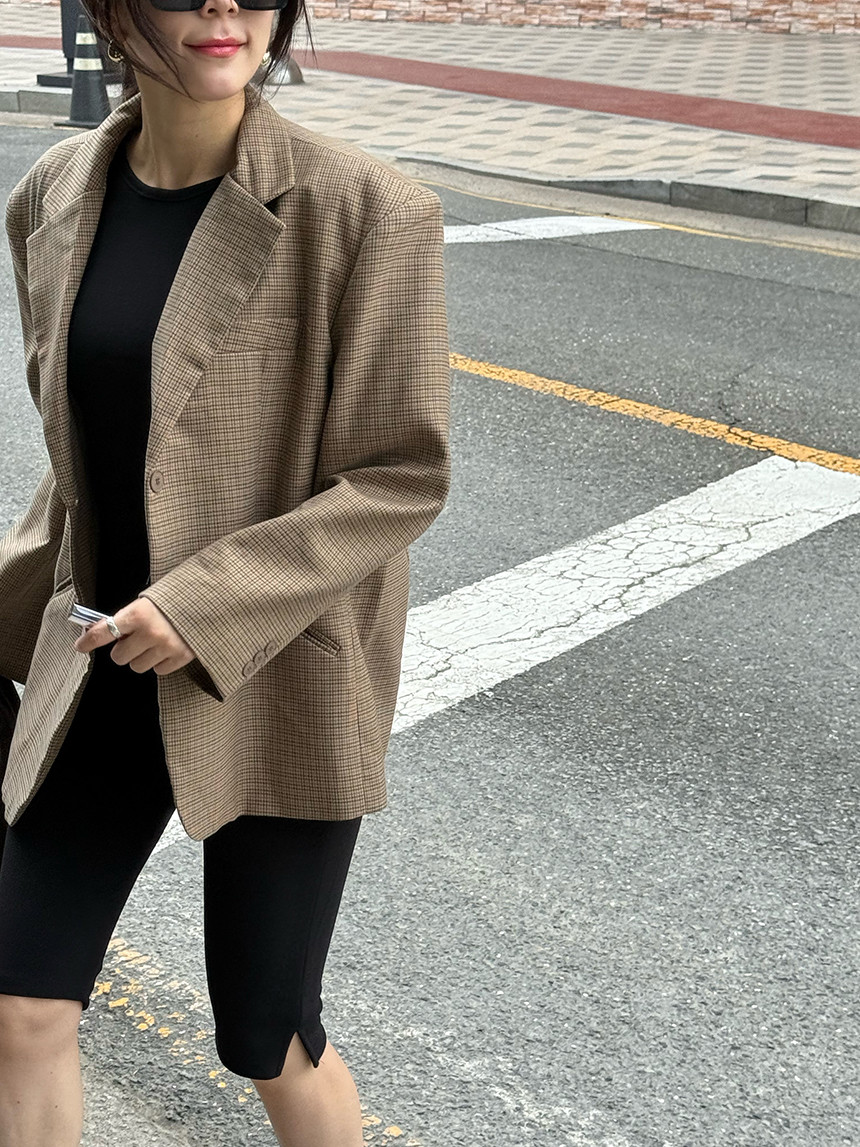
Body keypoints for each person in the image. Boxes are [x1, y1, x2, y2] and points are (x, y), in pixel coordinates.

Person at [0, 0, 451, 1140]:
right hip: (100, 653)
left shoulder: (365, 208)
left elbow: (398, 473)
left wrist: (204, 606)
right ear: (109, 13)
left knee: (268, 1032)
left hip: (275, 667)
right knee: (22, 1002)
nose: (222, 9)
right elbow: (89, 456)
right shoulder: (52, 194)